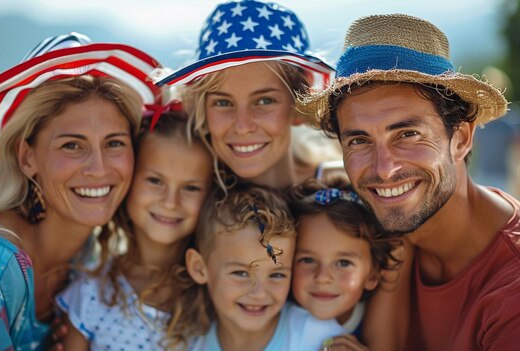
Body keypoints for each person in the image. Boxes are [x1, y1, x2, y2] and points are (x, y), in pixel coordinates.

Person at [298, 14, 520, 351]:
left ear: (461, 138)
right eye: (359, 141)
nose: (384, 169)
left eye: (407, 134)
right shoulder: (360, 235)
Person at [0, 34, 164, 350]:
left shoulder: (87, 259)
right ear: (27, 157)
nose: (98, 167)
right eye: (72, 145)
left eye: (114, 143)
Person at [55, 109, 214, 350]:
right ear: (129, 181)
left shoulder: (215, 294)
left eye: (191, 188)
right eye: (155, 181)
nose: (170, 202)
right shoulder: (91, 294)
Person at [156, 0, 336, 189]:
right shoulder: (182, 208)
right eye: (223, 103)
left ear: (300, 105)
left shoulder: (351, 198)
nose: (242, 127)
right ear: (203, 111)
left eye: (264, 101)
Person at [168, 183, 345, 350]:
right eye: (241, 273)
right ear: (199, 268)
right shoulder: (188, 343)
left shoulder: (318, 337)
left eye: (277, 275)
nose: (259, 293)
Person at [287, 179, 400, 342]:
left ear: (373, 275)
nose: (323, 277)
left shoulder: (373, 322)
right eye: (307, 260)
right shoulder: (274, 316)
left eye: (343, 263)